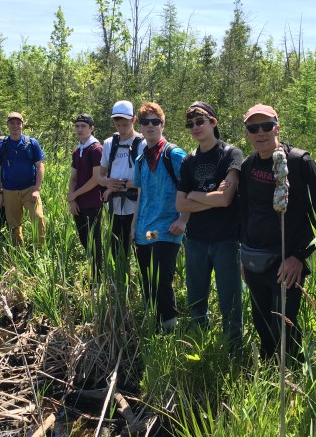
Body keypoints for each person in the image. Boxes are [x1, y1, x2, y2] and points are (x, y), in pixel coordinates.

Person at [239, 104, 316, 362]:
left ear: (277, 127)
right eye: (253, 128)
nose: (261, 132)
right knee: (261, 324)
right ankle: (268, 377)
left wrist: (299, 257)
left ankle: (293, 378)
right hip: (255, 260)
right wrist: (244, 256)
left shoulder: (299, 162)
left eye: (267, 126)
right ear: (247, 134)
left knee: (285, 327)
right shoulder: (248, 166)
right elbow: (245, 213)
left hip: (286, 263)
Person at [175, 101, 244, 353]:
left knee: (231, 302)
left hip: (227, 239)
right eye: (190, 124)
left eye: (200, 121)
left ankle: (234, 352)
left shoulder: (231, 154)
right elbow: (180, 203)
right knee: (196, 301)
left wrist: (195, 195)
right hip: (195, 240)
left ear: (213, 122)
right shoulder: (189, 160)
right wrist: (210, 198)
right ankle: (198, 347)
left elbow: (226, 198)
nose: (195, 127)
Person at [132, 102, 188, 331]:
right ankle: (154, 323)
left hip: (166, 229)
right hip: (146, 230)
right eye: (146, 122)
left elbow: (190, 187)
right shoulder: (141, 159)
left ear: (163, 125)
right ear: (141, 127)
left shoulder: (173, 154)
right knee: (147, 279)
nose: (150, 126)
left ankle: (170, 327)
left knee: (161, 279)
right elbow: (140, 194)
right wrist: (134, 226)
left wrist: (183, 218)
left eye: (156, 122)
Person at [98, 100, 146, 265]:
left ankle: (142, 283)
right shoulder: (109, 143)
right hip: (115, 206)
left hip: (136, 205)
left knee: (139, 245)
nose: (122, 129)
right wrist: (108, 183)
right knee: (117, 248)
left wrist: (124, 184)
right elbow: (100, 176)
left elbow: (147, 180)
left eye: (125, 124)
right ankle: (119, 281)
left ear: (134, 120)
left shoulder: (143, 143)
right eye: (118, 124)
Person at [0, 111, 46, 246]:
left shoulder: (31, 143)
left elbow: (40, 167)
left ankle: (39, 250)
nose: (15, 126)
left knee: (38, 218)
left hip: (29, 189)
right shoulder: (0, 146)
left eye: (18, 123)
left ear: (22, 125)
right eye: (12, 123)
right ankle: (18, 252)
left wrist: (37, 189)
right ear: (8, 125)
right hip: (9, 191)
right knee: (14, 225)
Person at [67, 114, 104, 282]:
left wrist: (75, 194)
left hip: (93, 203)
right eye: (77, 126)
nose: (80, 129)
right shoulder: (77, 150)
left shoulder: (96, 149)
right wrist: (72, 199)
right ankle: (92, 273)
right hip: (79, 204)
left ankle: (98, 278)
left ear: (91, 128)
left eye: (83, 126)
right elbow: (73, 177)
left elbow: (96, 179)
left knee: (94, 242)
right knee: (84, 240)